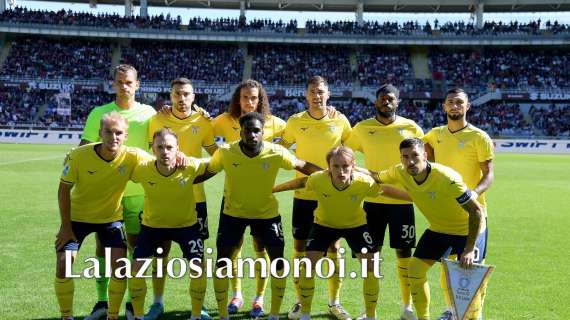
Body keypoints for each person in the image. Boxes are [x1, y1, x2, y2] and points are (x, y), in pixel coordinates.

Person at [202, 112, 322, 320]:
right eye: (247, 130)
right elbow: (207, 171)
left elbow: (301, 165)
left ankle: (273, 313)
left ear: (263, 132)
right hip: (233, 214)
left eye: (257, 130)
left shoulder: (276, 152)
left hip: (267, 216)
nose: (252, 135)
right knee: (223, 261)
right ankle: (223, 315)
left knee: (277, 262)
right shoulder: (227, 152)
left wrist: (328, 174)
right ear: (241, 132)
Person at [273, 146, 413, 320]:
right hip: (324, 225)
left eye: (345, 166)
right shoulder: (318, 179)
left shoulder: (364, 182)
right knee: (307, 266)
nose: (341, 171)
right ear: (328, 167)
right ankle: (305, 314)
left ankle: (370, 316)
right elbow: (300, 183)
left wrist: (414, 197)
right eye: (336, 166)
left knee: (371, 267)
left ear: (353, 165)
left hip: (356, 226)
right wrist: (273, 189)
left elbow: (385, 190)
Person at [368, 138, 485, 320]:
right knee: (414, 270)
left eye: (415, 155)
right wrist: (348, 169)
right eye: (405, 157)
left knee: (464, 281)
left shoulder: (447, 178)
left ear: (425, 155)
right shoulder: (400, 171)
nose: (410, 161)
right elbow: (375, 176)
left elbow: (476, 211)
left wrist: (469, 250)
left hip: (466, 230)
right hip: (439, 229)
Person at [55, 112, 151, 320]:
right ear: (100, 133)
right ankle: (66, 316)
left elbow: (161, 161)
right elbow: (63, 190)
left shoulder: (133, 155)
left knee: (120, 267)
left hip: (110, 220)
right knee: (64, 263)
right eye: (108, 132)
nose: (113, 137)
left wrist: (180, 157)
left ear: (125, 136)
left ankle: (113, 315)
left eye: (118, 133)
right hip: (77, 220)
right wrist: (65, 227)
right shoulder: (78, 155)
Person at [80, 64, 156, 320]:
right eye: (120, 81)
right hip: (106, 195)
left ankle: (134, 302)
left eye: (129, 82)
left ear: (138, 85)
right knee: (104, 247)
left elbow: (159, 144)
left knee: (137, 246)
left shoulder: (149, 113)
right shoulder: (99, 114)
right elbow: (85, 149)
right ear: (112, 84)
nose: (124, 86)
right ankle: (102, 301)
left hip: (137, 192)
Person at [345, 84, 424, 320]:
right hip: (373, 201)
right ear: (376, 102)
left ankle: (407, 307)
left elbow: (425, 158)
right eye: (381, 98)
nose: (385, 102)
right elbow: (345, 154)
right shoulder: (362, 128)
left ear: (397, 102)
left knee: (404, 254)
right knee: (370, 255)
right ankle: (370, 313)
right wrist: (356, 172)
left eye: (390, 99)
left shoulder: (410, 127)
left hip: (402, 203)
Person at [211, 79, 286, 317]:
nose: (249, 102)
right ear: (238, 99)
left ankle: (260, 297)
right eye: (245, 97)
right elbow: (202, 131)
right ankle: (237, 294)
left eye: (254, 97)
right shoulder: (223, 121)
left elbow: (294, 136)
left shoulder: (276, 124)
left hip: (263, 202)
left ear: (261, 99)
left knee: (260, 248)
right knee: (233, 249)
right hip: (232, 198)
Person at [144, 78, 217, 320]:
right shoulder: (157, 119)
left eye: (186, 94)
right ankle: (157, 302)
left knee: (196, 258)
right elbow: (149, 153)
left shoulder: (204, 121)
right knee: (159, 254)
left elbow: (216, 158)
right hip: (162, 198)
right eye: (177, 94)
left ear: (194, 96)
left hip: (195, 200)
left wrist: (196, 175)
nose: (182, 98)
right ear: (171, 95)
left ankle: (199, 305)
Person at [280, 76, 352, 320]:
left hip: (332, 196)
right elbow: (282, 145)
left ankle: (334, 302)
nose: (317, 96)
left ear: (328, 94)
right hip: (304, 194)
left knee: (334, 245)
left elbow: (350, 150)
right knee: (300, 246)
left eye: (321, 91)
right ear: (305, 95)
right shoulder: (295, 121)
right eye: (312, 92)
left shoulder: (340, 120)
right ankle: (301, 301)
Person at [423, 88, 494, 320]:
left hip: (474, 213)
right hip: (446, 215)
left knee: (471, 266)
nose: (455, 106)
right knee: (448, 267)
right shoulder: (434, 134)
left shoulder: (479, 137)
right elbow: (423, 149)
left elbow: (489, 174)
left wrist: (473, 193)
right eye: (450, 102)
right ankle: (452, 310)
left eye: (459, 102)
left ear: (467, 106)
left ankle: (475, 314)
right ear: (444, 107)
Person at [128, 128, 209, 320]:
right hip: (152, 226)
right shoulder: (142, 169)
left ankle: (197, 314)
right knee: (136, 268)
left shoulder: (190, 165)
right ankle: (149, 309)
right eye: (160, 147)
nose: (165, 151)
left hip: (186, 226)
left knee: (198, 267)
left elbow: (216, 162)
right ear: (153, 149)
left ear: (177, 148)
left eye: (170, 147)